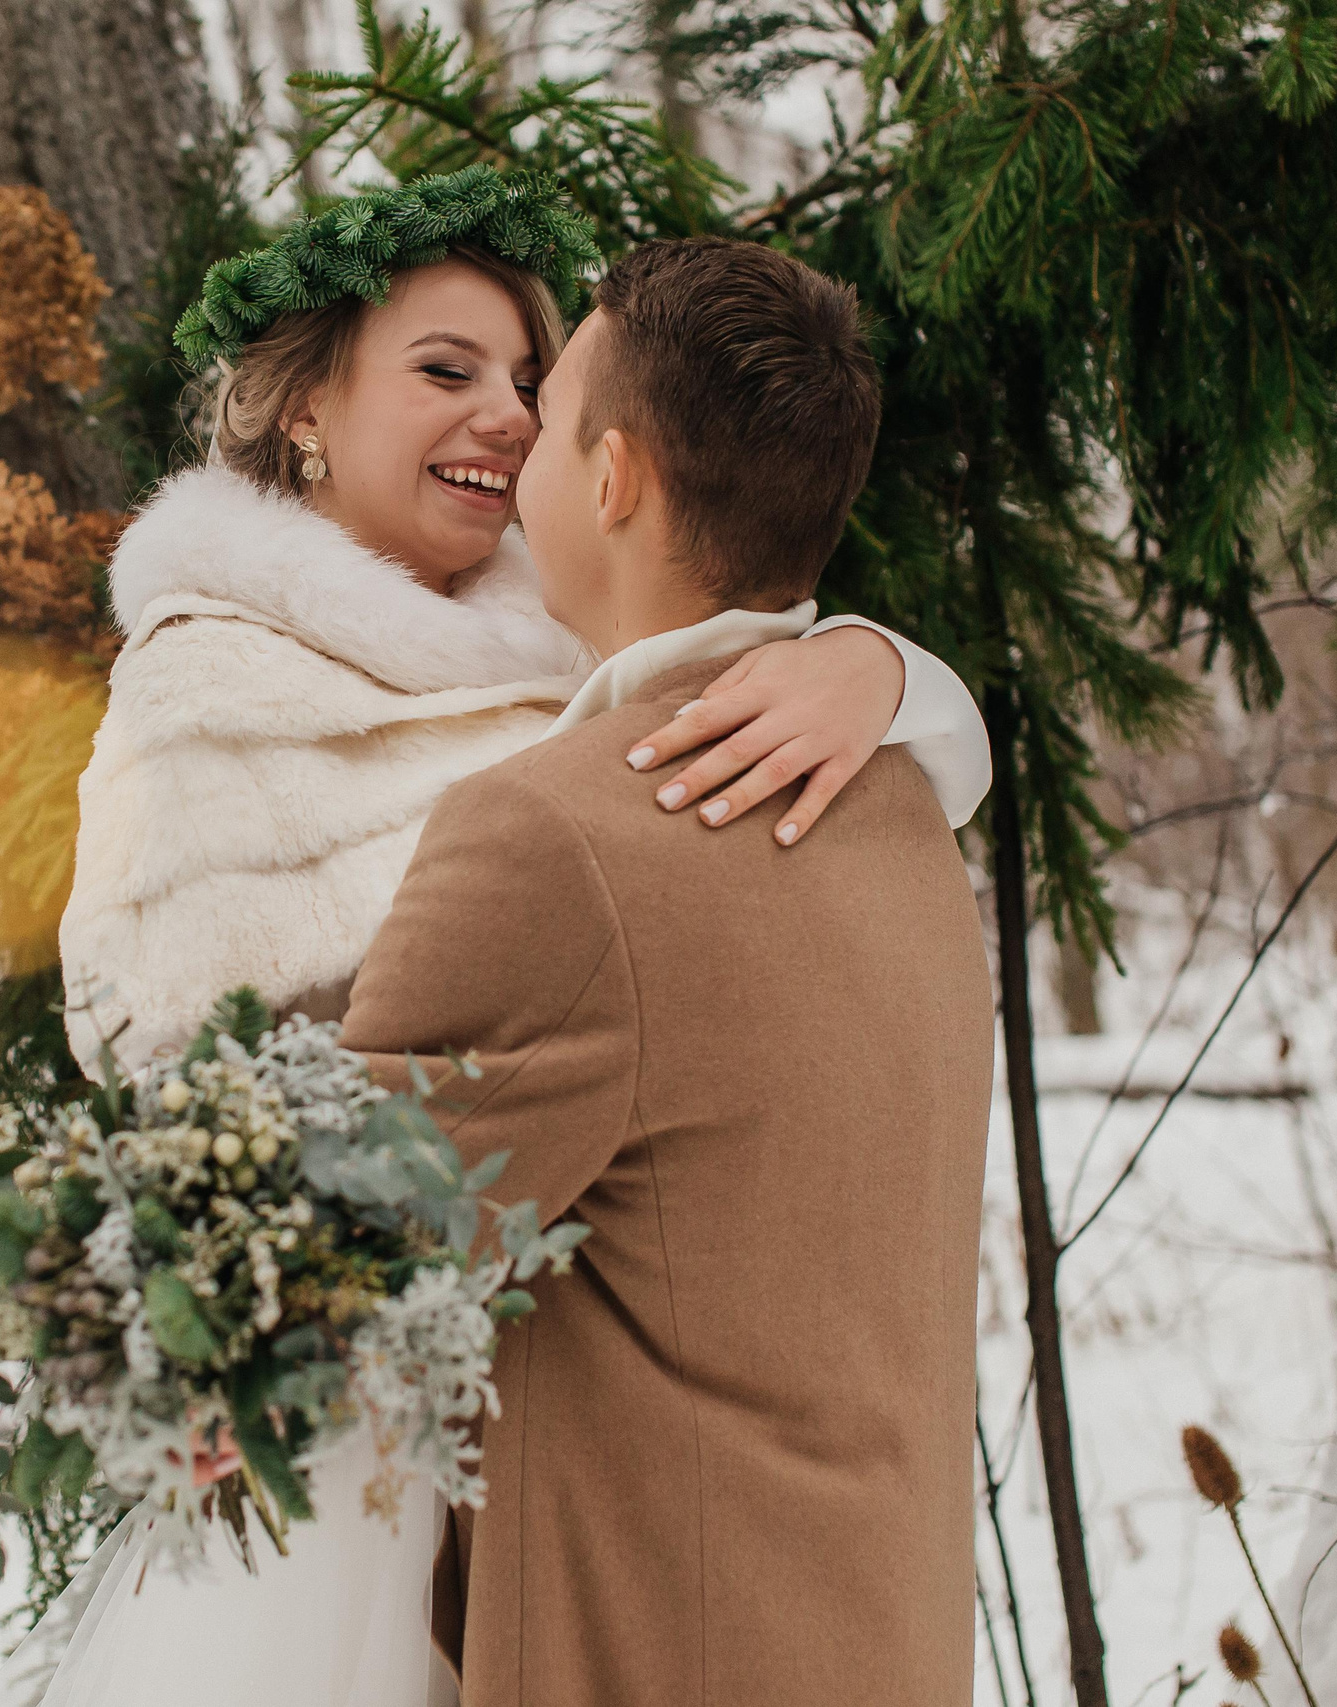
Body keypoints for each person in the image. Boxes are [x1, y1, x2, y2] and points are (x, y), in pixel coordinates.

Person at [0, 169, 988, 1707]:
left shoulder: (600, 682)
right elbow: (197, 1095)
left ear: (608, 472)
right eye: (446, 372)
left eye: (529, 383)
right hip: (380, 1465)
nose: (508, 418)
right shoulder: (213, 688)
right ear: (303, 409)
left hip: (605, 1506)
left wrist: (886, 669)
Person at [337, 236, 996, 1704]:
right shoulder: (900, 798)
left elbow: (336, 1243)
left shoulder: (555, 838)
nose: (511, 444)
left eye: (550, 410)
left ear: (617, 478)